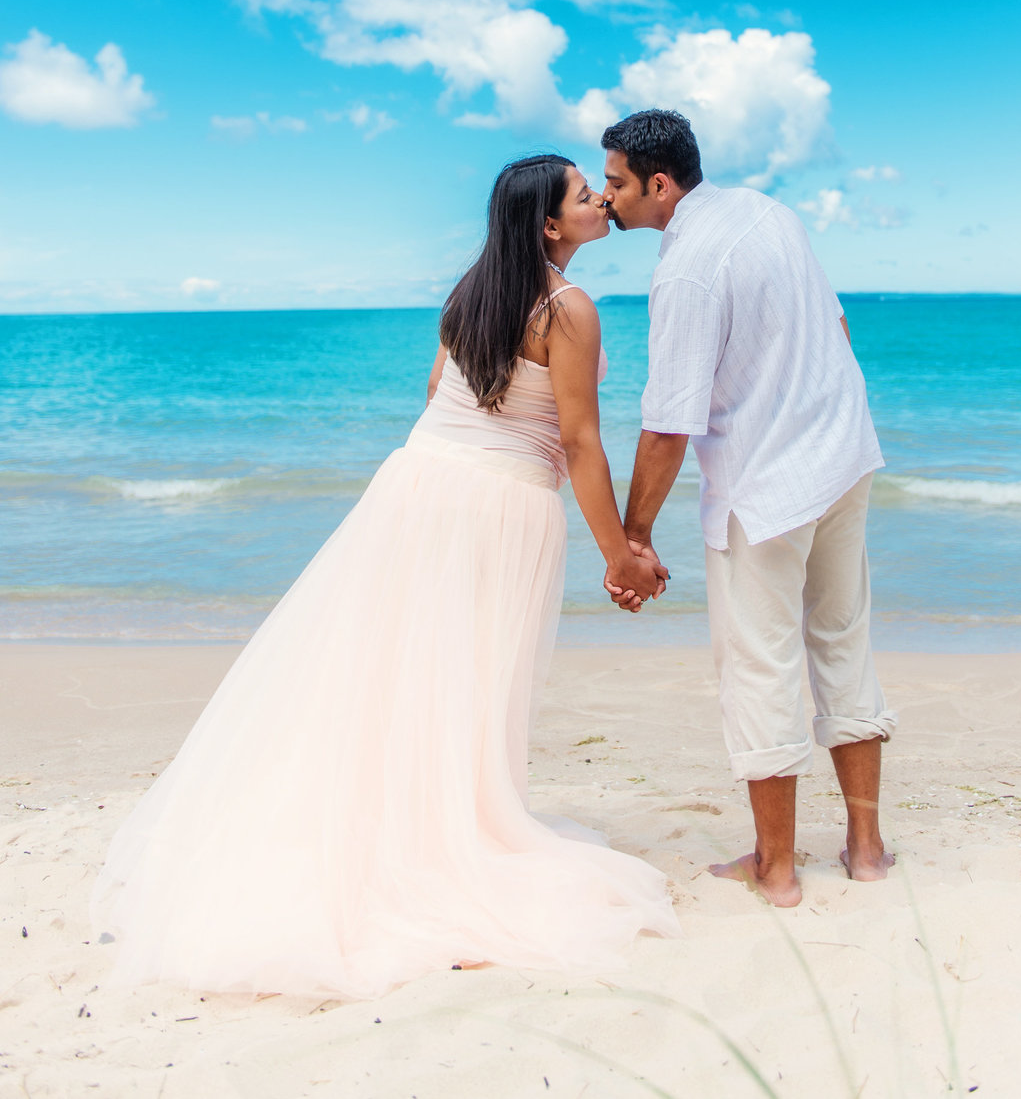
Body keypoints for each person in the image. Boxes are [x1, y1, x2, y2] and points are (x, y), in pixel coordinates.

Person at [93, 155, 677, 996]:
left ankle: (402, 824)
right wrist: (618, 553)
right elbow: (579, 442)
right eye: (586, 196)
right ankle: (442, 844)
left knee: (395, 667)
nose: (598, 204)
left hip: (416, 484)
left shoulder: (469, 292)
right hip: (497, 505)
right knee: (470, 677)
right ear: (551, 226)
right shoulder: (569, 307)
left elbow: (441, 388)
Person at [600, 110, 896, 908]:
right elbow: (835, 323)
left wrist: (633, 535)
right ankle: (867, 850)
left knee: (760, 667)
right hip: (842, 457)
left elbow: (668, 423)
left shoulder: (686, 268)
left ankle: (777, 867)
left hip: (767, 487)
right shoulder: (771, 211)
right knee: (843, 641)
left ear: (660, 185)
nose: (608, 196)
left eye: (618, 182)